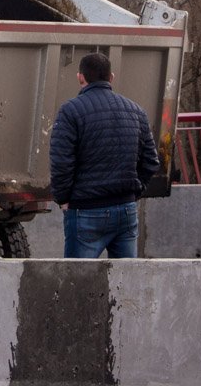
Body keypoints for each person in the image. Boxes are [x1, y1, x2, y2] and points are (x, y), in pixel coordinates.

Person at [50, 52, 160, 259]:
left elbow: (61, 162)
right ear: (111, 77)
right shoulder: (136, 111)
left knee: (76, 282)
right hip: (126, 211)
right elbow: (151, 162)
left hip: (86, 210)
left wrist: (62, 198)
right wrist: (133, 192)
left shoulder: (70, 111)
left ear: (80, 77)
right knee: (126, 282)